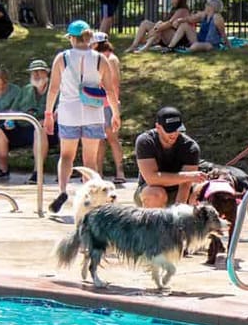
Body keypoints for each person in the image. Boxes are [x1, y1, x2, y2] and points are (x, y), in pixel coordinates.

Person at [43, 20, 120, 213]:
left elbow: (53, 89)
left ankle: (62, 189)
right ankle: (91, 200)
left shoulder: (63, 58)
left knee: (66, 156)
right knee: (90, 161)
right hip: (93, 112)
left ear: (71, 38)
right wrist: (115, 114)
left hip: (69, 112)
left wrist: (48, 113)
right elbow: (110, 90)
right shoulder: (100, 59)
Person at [0, 59, 55, 183]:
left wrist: (46, 120)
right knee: (0, 131)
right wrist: (9, 121)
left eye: (39, 72)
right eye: (33, 73)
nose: (36, 75)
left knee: (39, 129)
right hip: (23, 125)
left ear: (46, 73)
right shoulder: (25, 90)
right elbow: (13, 110)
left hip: (46, 129)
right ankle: (2, 170)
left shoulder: (54, 90)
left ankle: (37, 173)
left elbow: (58, 111)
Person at [134, 107, 204, 208]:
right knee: (156, 194)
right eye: (169, 130)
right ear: (158, 127)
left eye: (177, 129)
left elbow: (185, 186)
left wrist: (178, 212)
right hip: (151, 191)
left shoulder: (190, 147)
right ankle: (152, 222)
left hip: (179, 192)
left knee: (203, 193)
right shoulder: (145, 141)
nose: (174, 134)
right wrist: (188, 176)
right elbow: (151, 179)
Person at [91, 31, 126, 184]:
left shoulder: (109, 59)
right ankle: (98, 173)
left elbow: (113, 83)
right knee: (100, 140)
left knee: (111, 138)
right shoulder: (103, 58)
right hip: (100, 103)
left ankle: (120, 172)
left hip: (107, 104)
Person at [124, 0, 191, 53]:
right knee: (145, 23)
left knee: (160, 27)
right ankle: (134, 45)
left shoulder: (183, 10)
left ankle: (145, 47)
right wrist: (156, 27)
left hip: (176, 39)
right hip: (166, 35)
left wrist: (155, 29)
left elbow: (169, 23)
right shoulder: (173, 9)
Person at [164, 0, 229, 52]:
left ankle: (187, 49)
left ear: (212, 7)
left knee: (195, 46)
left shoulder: (217, 17)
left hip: (211, 44)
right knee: (184, 25)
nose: (205, 6)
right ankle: (170, 47)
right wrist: (179, 20)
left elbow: (223, 33)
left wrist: (229, 47)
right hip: (199, 40)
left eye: (207, 4)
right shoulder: (204, 15)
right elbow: (190, 19)